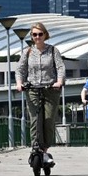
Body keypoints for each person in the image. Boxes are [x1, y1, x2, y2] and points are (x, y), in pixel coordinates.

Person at [15, 22, 66, 165]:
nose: (37, 37)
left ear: (45, 35)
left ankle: (44, 150)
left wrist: (59, 81)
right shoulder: (28, 52)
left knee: (48, 120)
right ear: (31, 36)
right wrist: (19, 84)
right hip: (32, 89)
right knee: (35, 120)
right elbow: (20, 69)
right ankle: (35, 147)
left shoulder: (53, 50)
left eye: (40, 34)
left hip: (50, 89)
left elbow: (60, 67)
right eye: (34, 34)